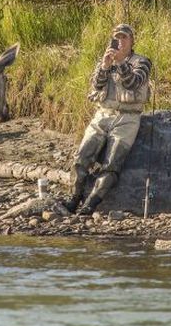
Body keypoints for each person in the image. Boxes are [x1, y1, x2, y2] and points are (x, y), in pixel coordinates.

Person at [63, 23, 152, 215]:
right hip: (102, 114)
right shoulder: (105, 60)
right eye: (117, 38)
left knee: (112, 164)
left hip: (128, 118)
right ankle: (74, 197)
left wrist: (120, 63)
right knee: (81, 157)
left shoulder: (142, 62)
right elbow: (96, 85)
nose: (120, 42)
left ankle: (91, 203)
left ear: (132, 41)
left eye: (124, 38)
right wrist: (105, 66)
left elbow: (133, 84)